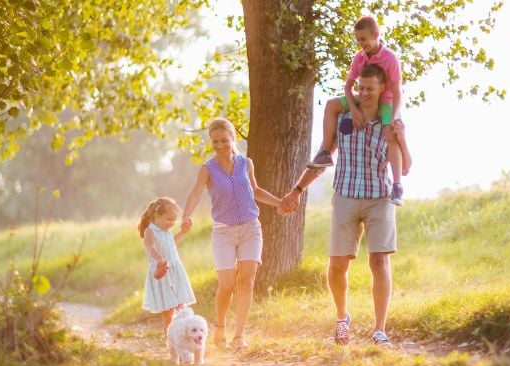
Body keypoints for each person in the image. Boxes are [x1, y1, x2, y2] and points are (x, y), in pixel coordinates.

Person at [281, 64, 398, 345]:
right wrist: (297, 189)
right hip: (345, 196)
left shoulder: (389, 122)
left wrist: (401, 141)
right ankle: (342, 317)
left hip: (379, 198)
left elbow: (405, 163)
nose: (365, 93)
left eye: (371, 88)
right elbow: (323, 158)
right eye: (361, 87)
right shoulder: (344, 118)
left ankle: (379, 329)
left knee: (379, 261)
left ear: (382, 89)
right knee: (336, 265)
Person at [182, 118, 283, 350]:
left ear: (232, 139)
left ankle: (239, 336)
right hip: (223, 232)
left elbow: (256, 191)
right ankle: (219, 326)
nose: (219, 145)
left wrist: (278, 203)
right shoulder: (207, 169)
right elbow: (196, 193)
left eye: (224, 140)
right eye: (215, 141)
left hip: (250, 228)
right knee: (227, 284)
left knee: (247, 279)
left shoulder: (246, 164)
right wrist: (186, 216)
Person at [306, 15, 411, 206]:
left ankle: (397, 185)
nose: (361, 44)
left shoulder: (390, 58)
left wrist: (391, 119)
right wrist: (354, 110)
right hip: (362, 96)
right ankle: (325, 152)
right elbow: (348, 88)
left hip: (386, 101)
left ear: (376, 35)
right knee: (331, 105)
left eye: (364, 39)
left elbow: (396, 92)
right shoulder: (359, 57)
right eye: (358, 40)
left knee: (390, 133)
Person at [137, 197, 197, 336]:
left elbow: (171, 243)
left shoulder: (167, 232)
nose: (172, 223)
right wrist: (159, 259)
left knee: (182, 307)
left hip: (175, 271)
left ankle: (183, 337)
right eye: (169, 219)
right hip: (162, 273)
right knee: (168, 313)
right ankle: (171, 341)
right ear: (157, 216)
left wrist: (183, 232)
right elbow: (150, 247)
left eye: (174, 220)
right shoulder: (150, 231)